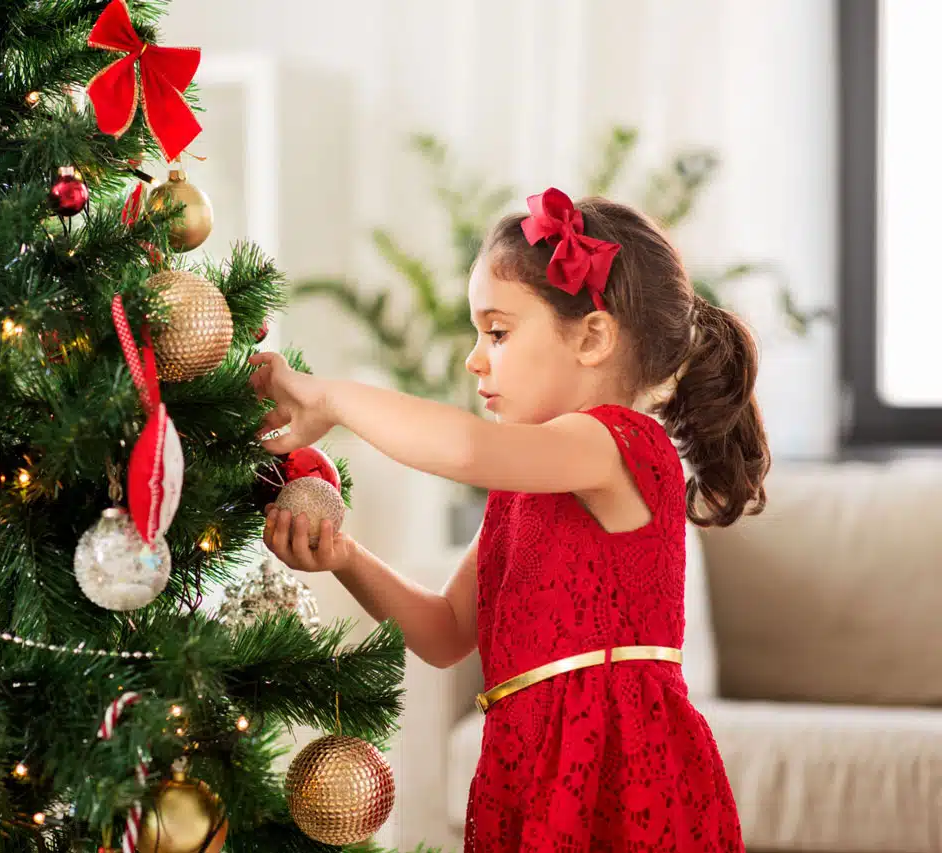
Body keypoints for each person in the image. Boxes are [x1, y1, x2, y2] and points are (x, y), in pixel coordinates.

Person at [248, 187, 769, 851]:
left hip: (618, 765)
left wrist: (331, 397)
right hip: (525, 765)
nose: (474, 358)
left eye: (496, 332)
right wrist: (344, 556)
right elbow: (444, 633)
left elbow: (466, 447)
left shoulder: (620, 444)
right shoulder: (521, 492)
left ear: (593, 337)